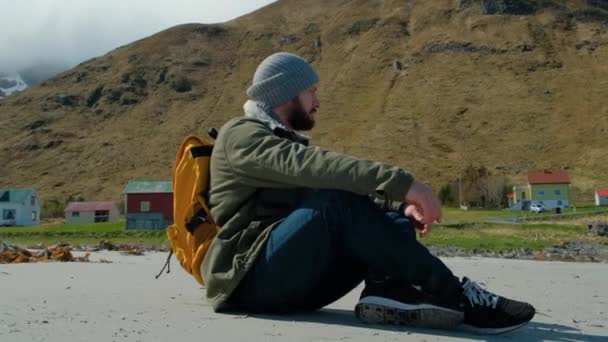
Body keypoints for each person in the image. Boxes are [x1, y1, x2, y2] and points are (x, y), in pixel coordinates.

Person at [201, 52, 535, 334]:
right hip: (245, 281)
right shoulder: (241, 136)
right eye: (311, 91)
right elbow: (315, 167)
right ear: (287, 93)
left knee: (384, 215)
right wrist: (405, 184)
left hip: (291, 283)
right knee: (339, 201)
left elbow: (334, 187)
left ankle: (389, 291)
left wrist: (399, 205)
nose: (317, 102)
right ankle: (456, 295)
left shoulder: (280, 141)